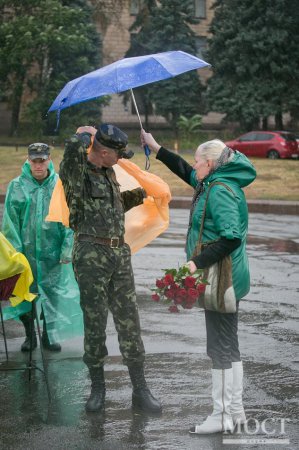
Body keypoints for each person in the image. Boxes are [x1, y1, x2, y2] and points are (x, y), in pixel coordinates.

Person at [141, 129, 256, 434]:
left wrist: (196, 262)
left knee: (218, 346)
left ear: (209, 162)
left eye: (198, 162)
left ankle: (221, 415)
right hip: (230, 275)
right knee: (228, 344)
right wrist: (157, 148)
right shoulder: (215, 181)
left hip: (222, 276)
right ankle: (236, 410)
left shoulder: (218, 190)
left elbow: (230, 237)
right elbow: (184, 171)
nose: (194, 167)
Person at [59, 123, 162, 413]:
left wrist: (143, 192)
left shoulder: (109, 172)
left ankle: (140, 390)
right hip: (91, 254)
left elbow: (113, 205)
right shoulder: (76, 172)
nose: (121, 158)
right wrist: (82, 133)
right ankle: (98, 389)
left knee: (130, 321)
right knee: (95, 324)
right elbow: (70, 152)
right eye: (117, 153)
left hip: (119, 254)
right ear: (102, 151)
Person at [2, 143, 80, 352]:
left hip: (51, 254)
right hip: (24, 254)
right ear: (28, 160)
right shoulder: (16, 186)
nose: (38, 165)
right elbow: (10, 223)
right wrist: (15, 255)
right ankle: (30, 335)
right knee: (25, 294)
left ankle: (48, 335)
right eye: (34, 160)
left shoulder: (59, 186)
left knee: (52, 295)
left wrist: (66, 248)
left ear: (48, 160)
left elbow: (68, 220)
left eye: (42, 160)